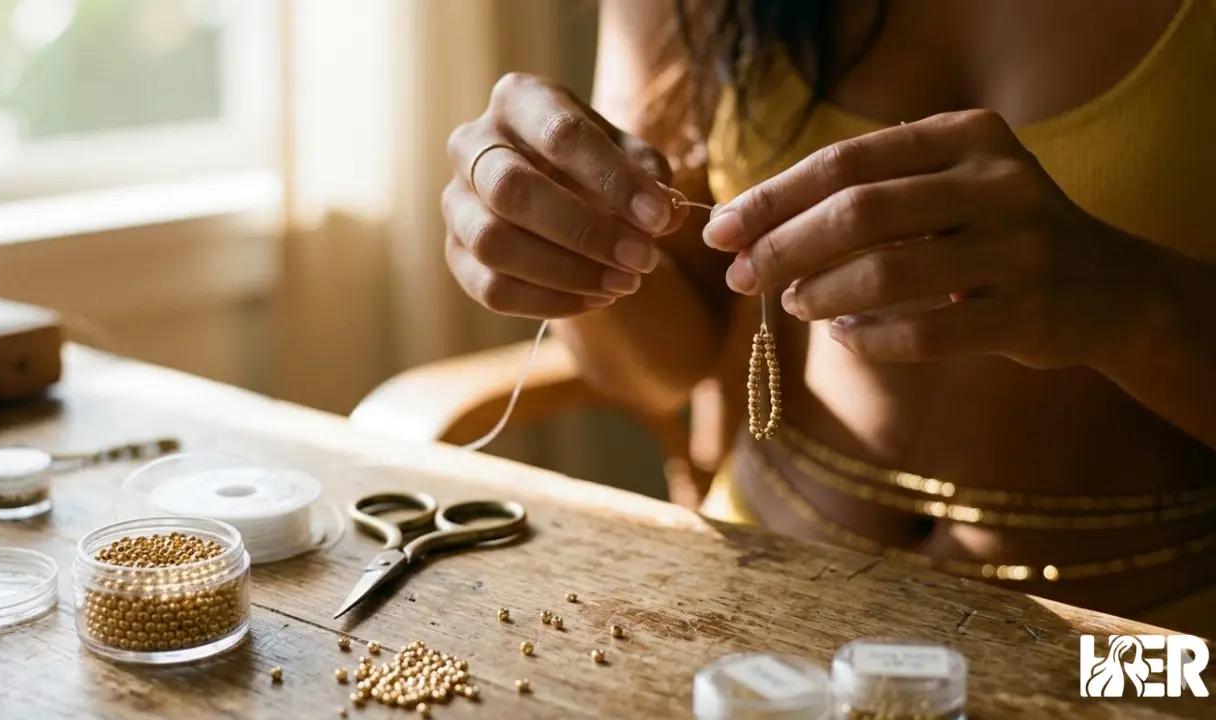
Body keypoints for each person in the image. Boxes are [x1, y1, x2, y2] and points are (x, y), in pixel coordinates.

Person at [441, 0, 1216, 636]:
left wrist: (1127, 299)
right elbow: (658, 368)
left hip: (1151, 643)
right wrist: (562, 241)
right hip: (761, 593)